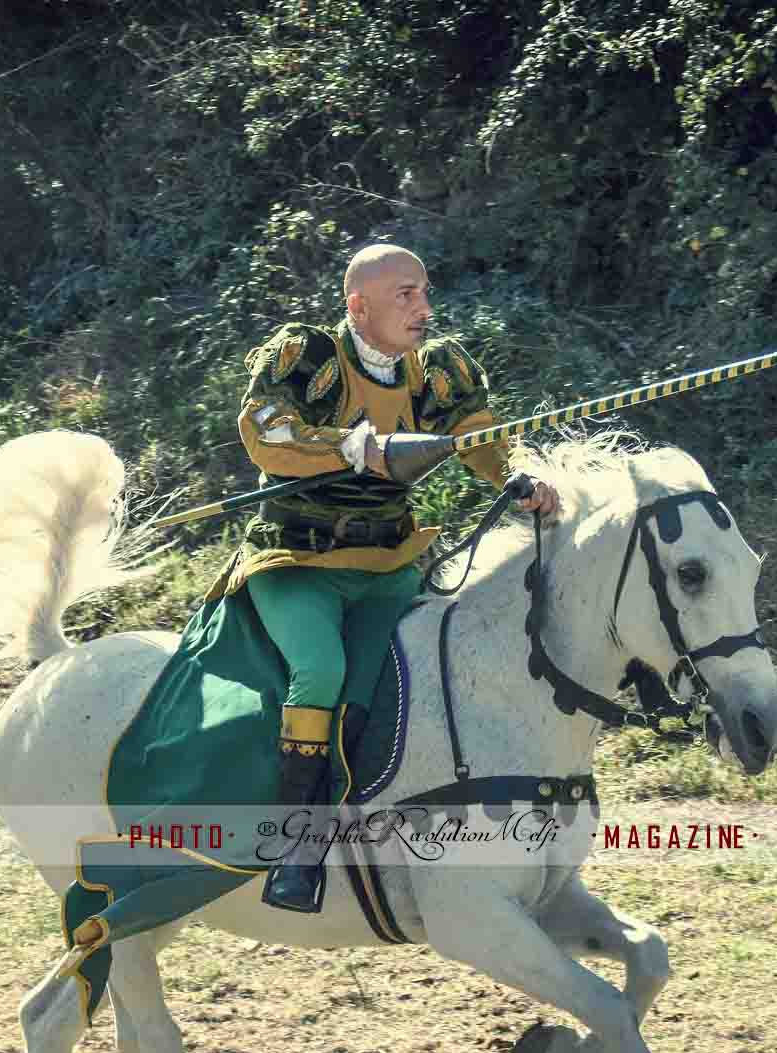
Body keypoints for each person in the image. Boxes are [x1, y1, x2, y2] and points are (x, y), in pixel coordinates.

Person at [216, 243, 558, 912]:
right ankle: (297, 846)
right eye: (405, 295)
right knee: (319, 671)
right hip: (297, 562)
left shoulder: (437, 370)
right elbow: (263, 431)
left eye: (425, 292)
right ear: (358, 306)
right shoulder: (307, 356)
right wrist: (347, 446)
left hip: (388, 567)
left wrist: (518, 478)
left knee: (419, 669)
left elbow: (478, 436)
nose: (423, 308)